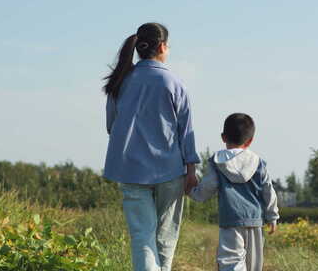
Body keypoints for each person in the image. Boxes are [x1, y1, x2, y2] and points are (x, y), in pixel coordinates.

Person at [102, 22, 200, 271]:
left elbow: (111, 126)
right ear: (163, 46)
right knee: (165, 238)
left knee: (142, 237)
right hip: (170, 170)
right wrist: (191, 169)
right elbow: (185, 132)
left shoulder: (120, 81)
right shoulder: (174, 83)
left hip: (130, 170)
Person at [190, 113, 279, 271]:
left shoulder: (218, 162)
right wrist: (272, 216)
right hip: (255, 222)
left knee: (231, 262)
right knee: (254, 265)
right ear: (250, 140)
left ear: (223, 137)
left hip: (231, 221)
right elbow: (268, 190)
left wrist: (193, 192)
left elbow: (208, 186)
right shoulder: (258, 163)